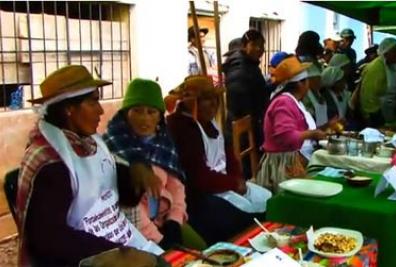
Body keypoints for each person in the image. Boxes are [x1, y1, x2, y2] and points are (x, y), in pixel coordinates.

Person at [16, 65, 163, 266]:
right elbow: (48, 240)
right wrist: (115, 253)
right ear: (69, 109)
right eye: (93, 102)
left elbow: (117, 194)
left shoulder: (89, 142)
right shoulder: (50, 162)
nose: (101, 110)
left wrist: (135, 176)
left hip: (117, 240)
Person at [166, 75, 271, 244]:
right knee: (243, 218)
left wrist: (237, 179)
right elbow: (199, 177)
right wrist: (233, 184)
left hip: (222, 184)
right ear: (193, 103)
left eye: (215, 99)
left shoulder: (210, 122)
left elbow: (229, 155)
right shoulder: (181, 126)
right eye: (207, 100)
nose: (214, 104)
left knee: (266, 198)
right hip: (199, 195)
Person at [103, 78, 205, 250]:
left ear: (160, 115)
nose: (144, 119)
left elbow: (176, 186)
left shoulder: (163, 142)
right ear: (126, 113)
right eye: (137, 111)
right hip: (135, 230)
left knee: (202, 250)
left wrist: (175, 219)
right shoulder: (114, 148)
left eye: (151, 112)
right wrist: (160, 240)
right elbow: (129, 210)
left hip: (165, 218)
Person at [257, 57, 328, 192]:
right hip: (280, 165)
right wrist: (312, 134)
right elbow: (287, 137)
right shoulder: (283, 102)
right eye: (307, 81)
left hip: (290, 159)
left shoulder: (292, 101)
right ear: (301, 84)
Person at [223, 29, 268, 178]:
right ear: (244, 45)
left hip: (251, 121)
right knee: (245, 169)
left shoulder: (249, 64)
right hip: (242, 125)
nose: (259, 49)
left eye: (262, 45)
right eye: (255, 45)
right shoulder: (239, 66)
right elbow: (238, 97)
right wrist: (254, 115)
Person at [359, 37, 396, 127]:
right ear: (386, 52)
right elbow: (368, 96)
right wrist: (374, 119)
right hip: (375, 115)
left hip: (389, 112)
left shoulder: (394, 66)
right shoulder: (376, 68)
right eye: (395, 51)